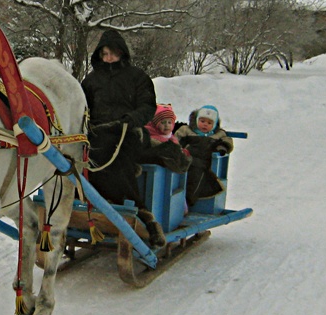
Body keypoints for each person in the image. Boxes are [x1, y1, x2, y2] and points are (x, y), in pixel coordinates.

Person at [81, 30, 165, 245]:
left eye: (113, 54)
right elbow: (83, 108)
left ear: (122, 53)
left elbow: (147, 105)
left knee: (115, 156)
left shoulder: (137, 77)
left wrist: (131, 119)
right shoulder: (91, 80)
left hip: (130, 130)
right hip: (98, 132)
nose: (109, 58)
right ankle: (90, 203)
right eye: (105, 54)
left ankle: (141, 212)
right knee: (86, 156)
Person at [175, 105, 233, 205]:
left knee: (197, 175)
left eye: (209, 123)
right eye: (202, 121)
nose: (205, 125)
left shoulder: (218, 134)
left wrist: (222, 147)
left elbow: (227, 141)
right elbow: (176, 140)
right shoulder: (186, 130)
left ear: (214, 125)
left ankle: (187, 201)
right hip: (186, 158)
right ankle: (176, 198)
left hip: (203, 163)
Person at [137, 104, 191, 173]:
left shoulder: (172, 137)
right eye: (163, 122)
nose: (166, 125)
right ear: (156, 124)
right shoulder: (150, 135)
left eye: (169, 122)